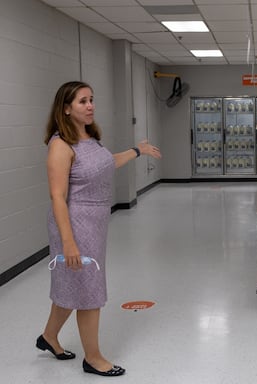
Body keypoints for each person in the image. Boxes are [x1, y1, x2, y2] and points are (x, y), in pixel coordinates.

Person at [36, 81, 161, 377]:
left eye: (91, 100)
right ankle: (93, 358)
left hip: (94, 224)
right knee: (89, 290)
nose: (90, 105)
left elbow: (106, 163)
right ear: (66, 108)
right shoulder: (60, 145)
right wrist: (68, 242)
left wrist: (137, 151)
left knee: (72, 285)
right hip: (74, 225)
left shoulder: (89, 139)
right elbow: (57, 196)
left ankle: (49, 337)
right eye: (82, 101)